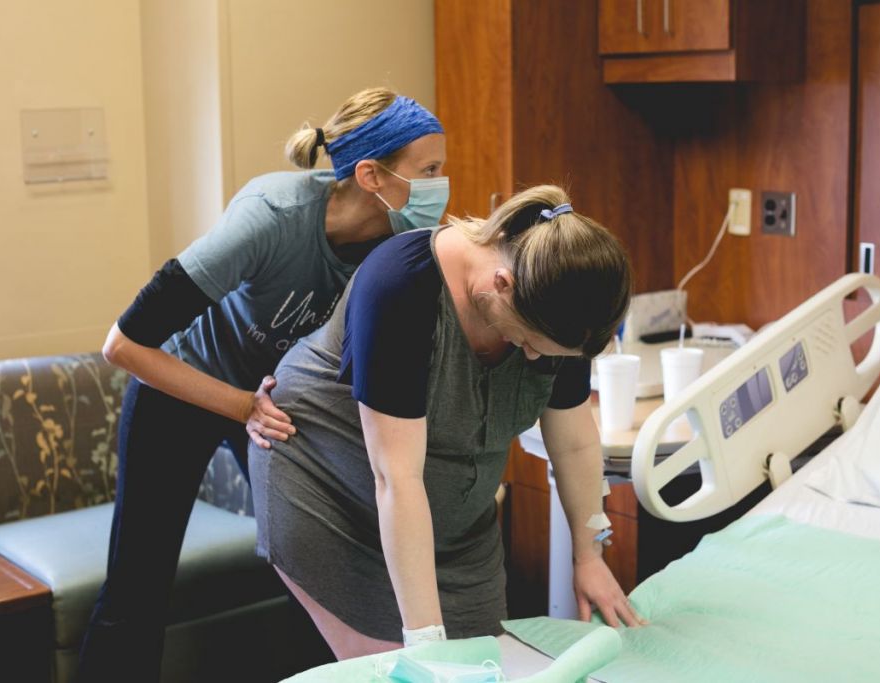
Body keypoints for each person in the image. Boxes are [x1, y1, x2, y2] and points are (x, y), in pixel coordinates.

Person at [77, 88, 448, 682]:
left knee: (319, 575)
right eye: (428, 171)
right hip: (179, 387)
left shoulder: (398, 245)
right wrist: (243, 405)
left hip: (275, 403)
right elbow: (122, 345)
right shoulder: (271, 218)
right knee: (137, 586)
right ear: (371, 174)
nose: (440, 184)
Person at [249, 185, 645, 662]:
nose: (537, 359)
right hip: (333, 492)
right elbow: (396, 478)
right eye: (530, 343)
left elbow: (577, 444)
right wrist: (426, 644)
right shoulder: (401, 287)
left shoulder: (565, 302)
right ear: (502, 285)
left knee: (487, 663)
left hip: (455, 525)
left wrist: (590, 556)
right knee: (402, 665)